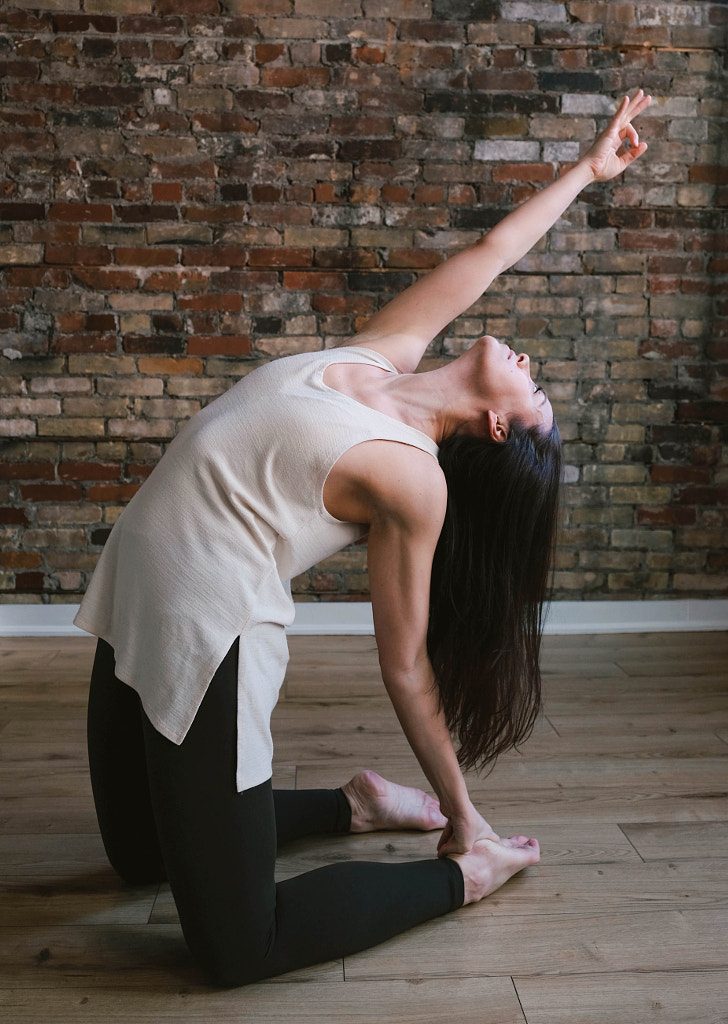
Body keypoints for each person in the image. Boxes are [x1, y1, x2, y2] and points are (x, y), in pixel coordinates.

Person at [76, 91, 651, 986]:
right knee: (135, 857)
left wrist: (466, 819)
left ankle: (460, 880)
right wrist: (587, 167)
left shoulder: (412, 479)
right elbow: (489, 254)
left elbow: (405, 664)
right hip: (134, 588)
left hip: (207, 626)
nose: (536, 374)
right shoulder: (386, 355)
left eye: (538, 401)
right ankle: (357, 802)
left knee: (235, 947)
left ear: (502, 430)